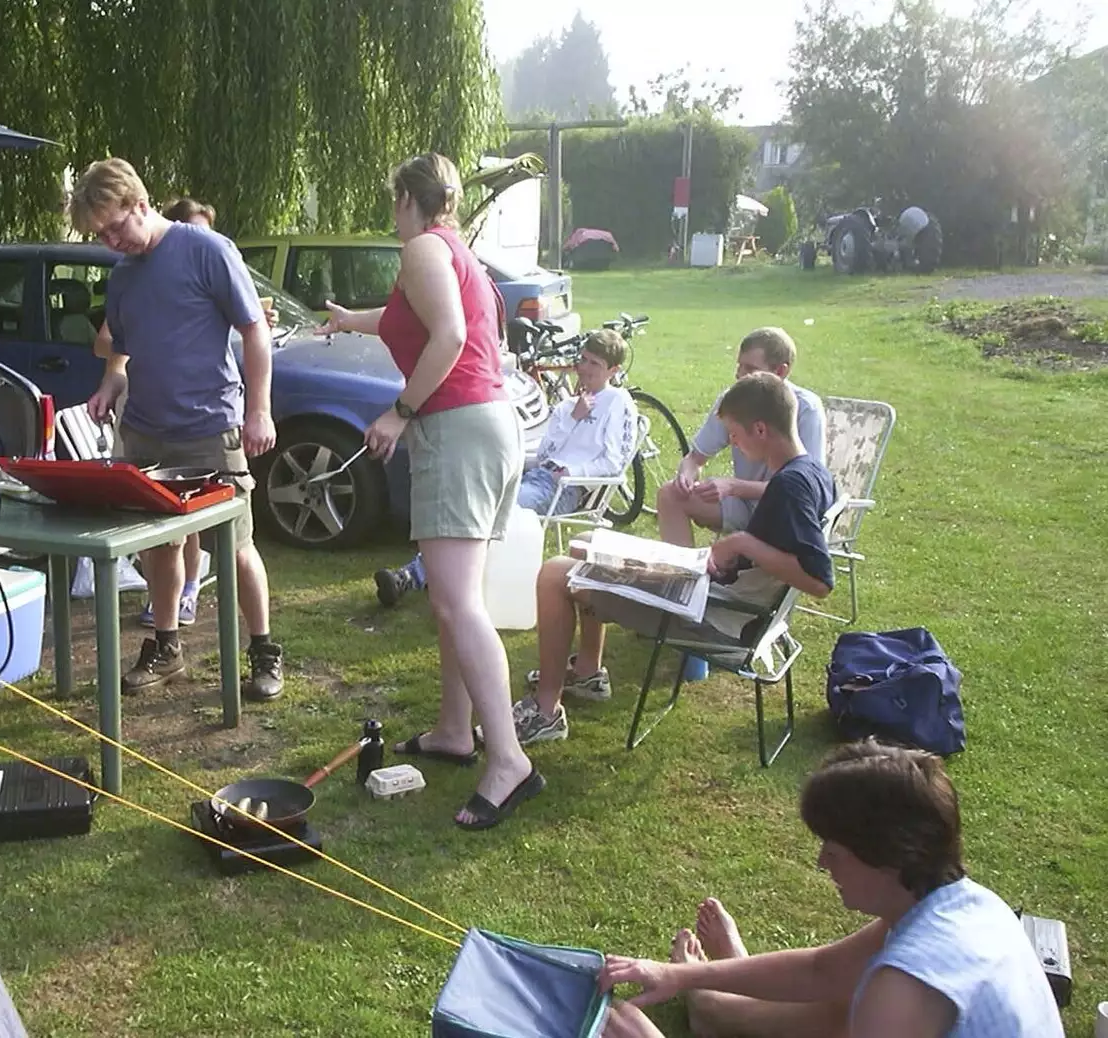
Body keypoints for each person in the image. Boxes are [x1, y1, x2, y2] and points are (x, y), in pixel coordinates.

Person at [316, 152, 541, 830]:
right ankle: (453, 729)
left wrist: (399, 413)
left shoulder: (419, 250)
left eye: (393, 204)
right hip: (488, 427)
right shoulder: (453, 252)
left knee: (456, 601)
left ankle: (508, 760)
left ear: (408, 202)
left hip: (455, 430)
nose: (393, 217)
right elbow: (419, 322)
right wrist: (346, 319)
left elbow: (448, 336)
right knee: (454, 599)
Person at [596, 740, 1066, 1038]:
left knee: (848, 1012)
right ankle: (714, 1003)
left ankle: (715, 1012)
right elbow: (822, 970)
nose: (821, 862)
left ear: (887, 857)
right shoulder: (968, 905)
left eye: (833, 850)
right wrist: (680, 977)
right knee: (841, 1004)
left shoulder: (901, 990)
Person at [518, 373, 834, 746]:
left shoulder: (790, 487)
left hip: (718, 615)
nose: (731, 442)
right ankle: (587, 672)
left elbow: (819, 582)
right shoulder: (813, 471)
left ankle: (546, 712)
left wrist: (743, 543)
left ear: (761, 429)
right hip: (717, 592)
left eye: (735, 434)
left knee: (555, 574)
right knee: (588, 542)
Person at [71, 161, 285, 702]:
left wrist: (258, 410)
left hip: (211, 429)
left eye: (114, 227)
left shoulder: (205, 250)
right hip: (145, 433)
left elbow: (255, 331)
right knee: (159, 548)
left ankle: (263, 652)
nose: (110, 241)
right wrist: (109, 385)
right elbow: (120, 350)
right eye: (100, 235)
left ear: (139, 204)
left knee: (236, 547)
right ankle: (167, 647)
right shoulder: (122, 277)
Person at [372, 328, 638, 607]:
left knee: (488, 513)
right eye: (583, 359)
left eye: (594, 364)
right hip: (536, 475)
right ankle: (430, 575)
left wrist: (572, 474)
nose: (584, 368)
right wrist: (573, 418)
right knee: (470, 503)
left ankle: (411, 577)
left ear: (613, 370)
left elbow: (614, 462)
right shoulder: (567, 406)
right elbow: (546, 451)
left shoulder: (617, 402)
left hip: (565, 489)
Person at [657, 326, 826, 549]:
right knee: (670, 494)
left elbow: (801, 490)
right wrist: (686, 476)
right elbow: (695, 457)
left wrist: (733, 486)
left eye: (750, 369)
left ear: (780, 372)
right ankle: (683, 574)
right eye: (739, 365)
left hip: (783, 511)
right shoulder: (734, 399)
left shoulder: (806, 410)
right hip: (744, 506)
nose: (739, 375)